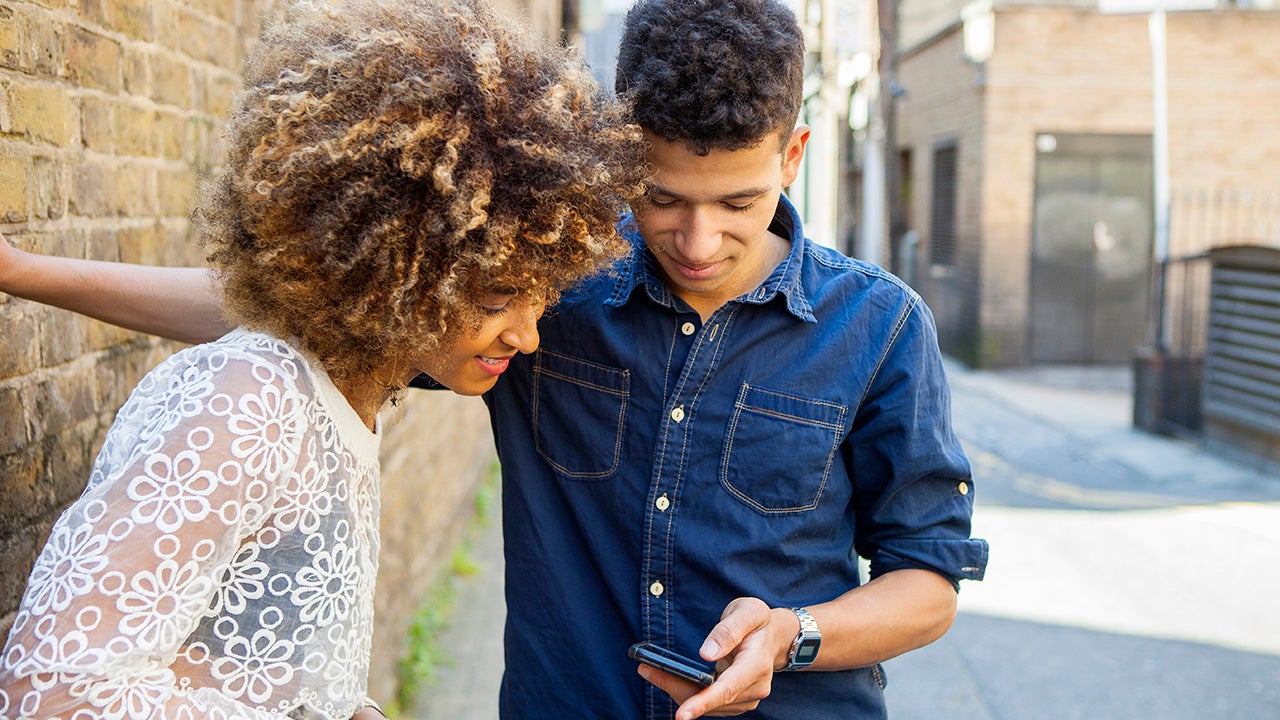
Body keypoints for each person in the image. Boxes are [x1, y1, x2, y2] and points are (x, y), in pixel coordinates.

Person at [0, 1, 988, 718]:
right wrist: (27, 272)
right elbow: (307, 305)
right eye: (658, 197)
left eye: (734, 204)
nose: (693, 239)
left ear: (792, 154)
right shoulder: (549, 277)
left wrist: (795, 632)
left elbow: (926, 580)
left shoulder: (881, 328)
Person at [0, 0, 646, 717]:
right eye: (496, 297)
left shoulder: (350, 393)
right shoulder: (248, 403)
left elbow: (259, 664)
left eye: (542, 295)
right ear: (391, 268)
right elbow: (50, 693)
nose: (527, 337)